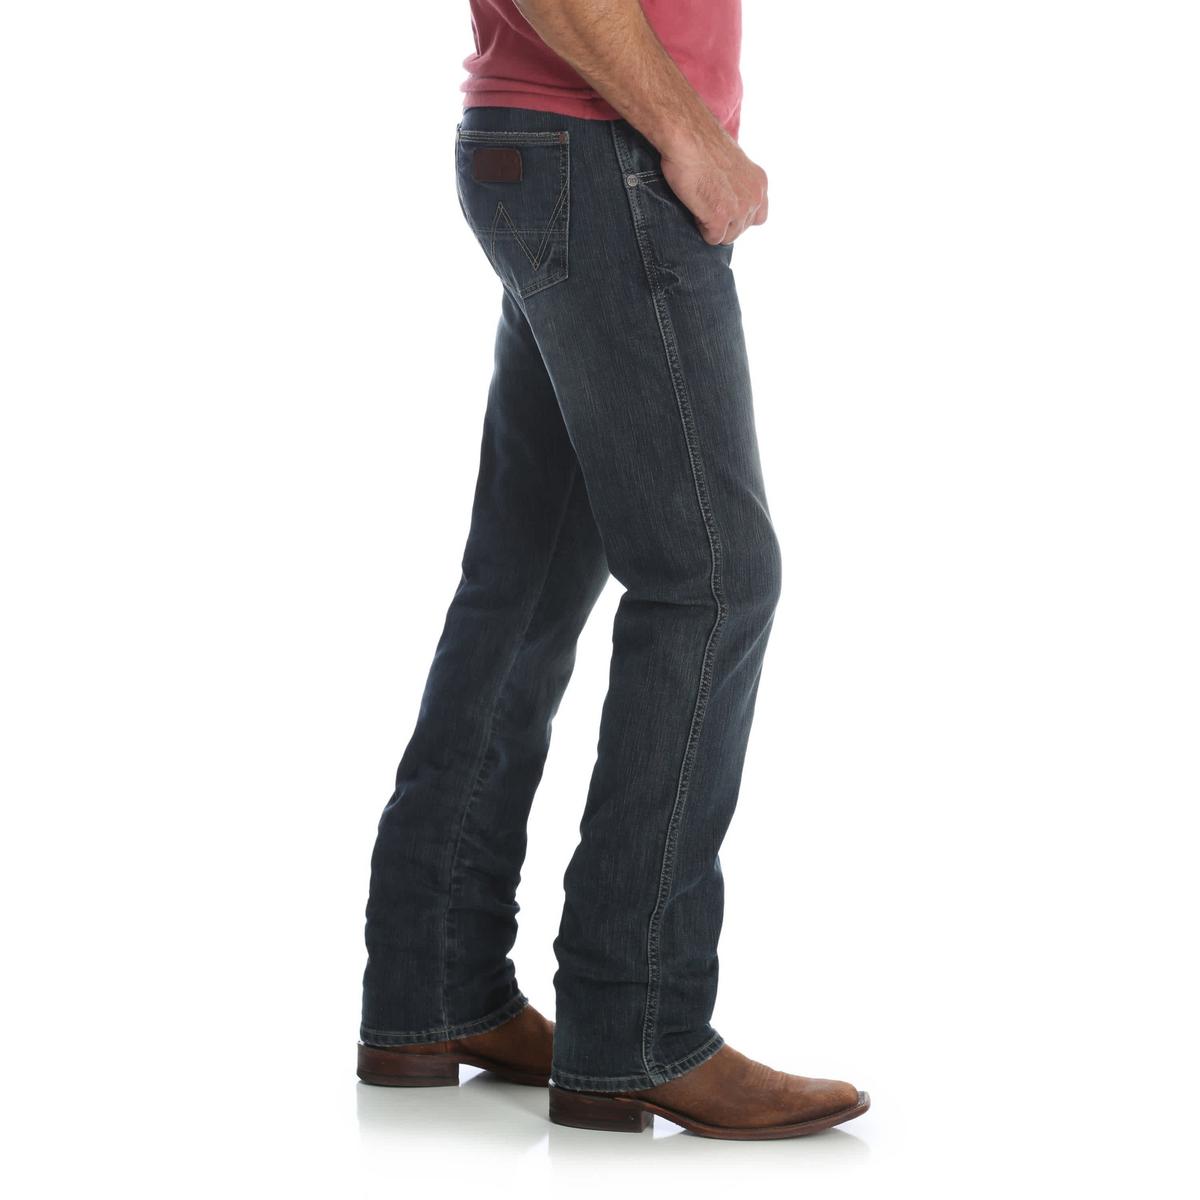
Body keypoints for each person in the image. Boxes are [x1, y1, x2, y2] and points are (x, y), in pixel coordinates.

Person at [357, 0, 869, 1139]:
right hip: (605, 152)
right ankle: (635, 1025)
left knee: (527, 581)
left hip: (551, 147)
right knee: (713, 579)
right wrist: (687, 134)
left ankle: (430, 988)